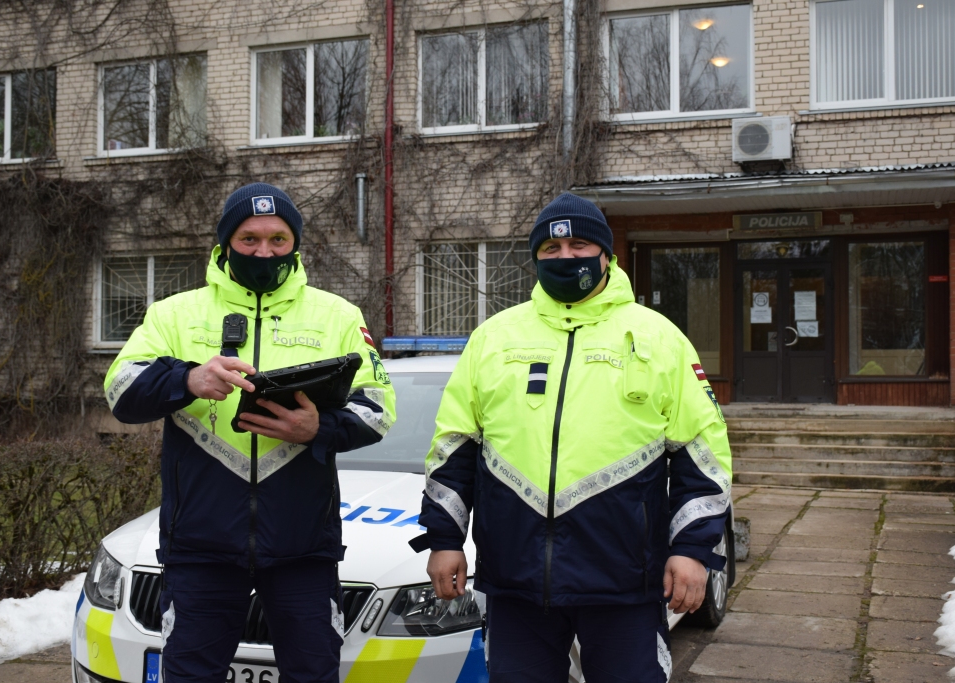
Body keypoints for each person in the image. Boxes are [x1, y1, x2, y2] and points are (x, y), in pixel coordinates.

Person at [416, 193, 732, 682]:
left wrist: (692, 551)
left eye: (580, 245)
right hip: (516, 584)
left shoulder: (659, 338)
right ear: (535, 257)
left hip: (625, 583)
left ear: (607, 255)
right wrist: (444, 539)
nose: (566, 257)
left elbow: (704, 456)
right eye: (551, 248)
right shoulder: (493, 338)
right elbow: (454, 447)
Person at [103, 182, 396, 683]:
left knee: (314, 674)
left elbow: (379, 409)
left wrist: (316, 428)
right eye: (250, 238)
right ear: (225, 244)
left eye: (278, 239)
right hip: (200, 546)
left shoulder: (338, 315)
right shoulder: (174, 313)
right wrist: (188, 378)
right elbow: (121, 392)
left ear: (295, 244)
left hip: (303, 548)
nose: (265, 251)